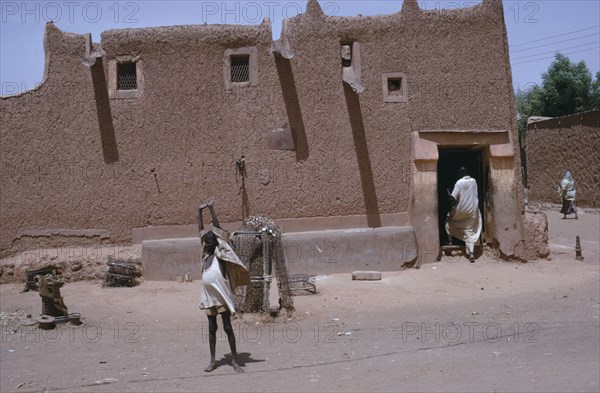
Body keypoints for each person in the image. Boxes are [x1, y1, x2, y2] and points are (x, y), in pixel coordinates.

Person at [198, 198, 250, 373]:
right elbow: (201, 233)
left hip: (220, 296)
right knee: (212, 328)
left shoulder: (220, 255)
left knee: (227, 327)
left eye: (210, 242)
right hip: (208, 298)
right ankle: (213, 361)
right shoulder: (205, 257)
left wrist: (211, 210)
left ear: (216, 243)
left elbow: (218, 231)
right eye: (206, 242)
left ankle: (235, 361)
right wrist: (199, 212)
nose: (207, 244)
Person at [445, 167, 482, 262]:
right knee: (470, 230)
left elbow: (453, 198)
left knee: (448, 221)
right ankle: (471, 253)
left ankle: (450, 242)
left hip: (461, 211)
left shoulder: (459, 183)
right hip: (473, 210)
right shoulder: (473, 181)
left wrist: (449, 195)